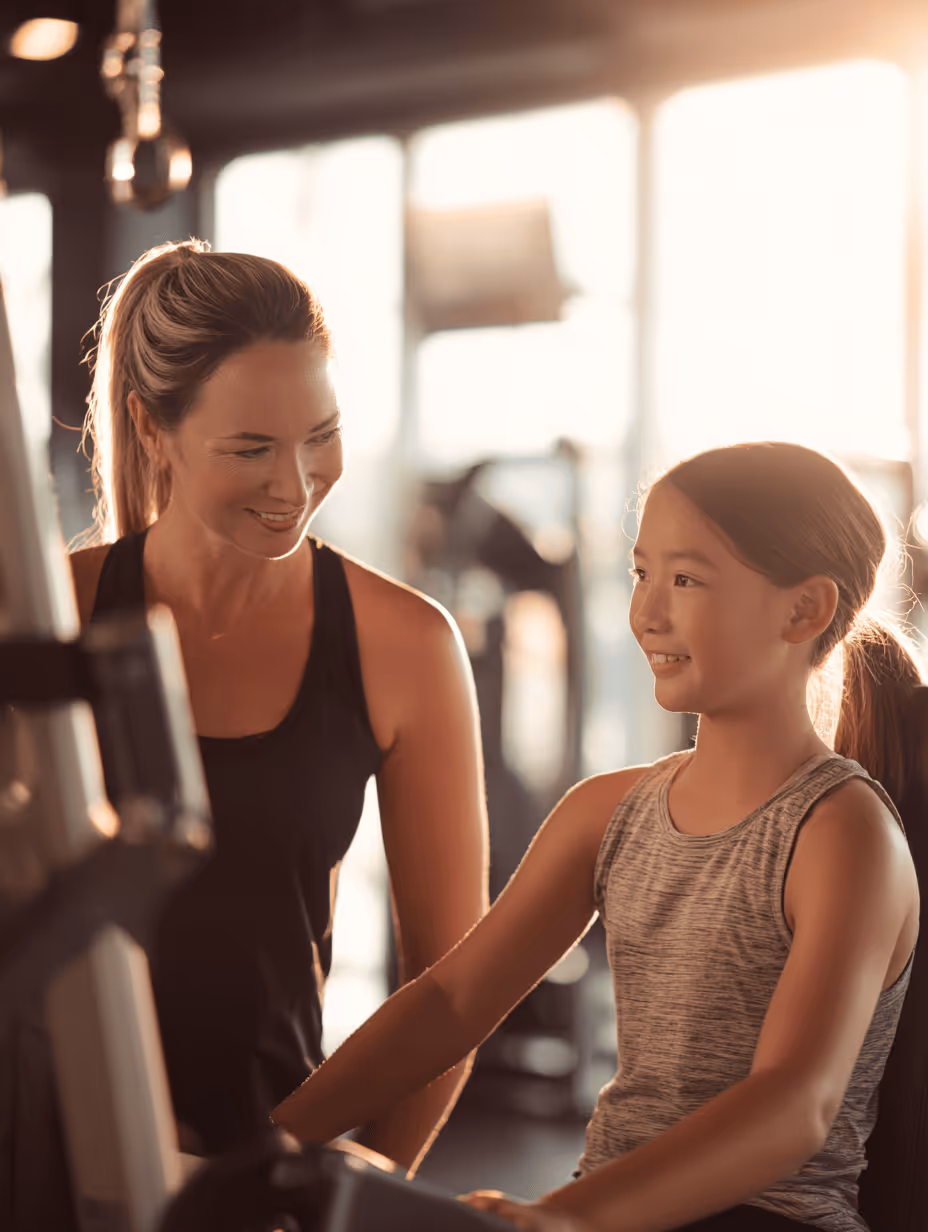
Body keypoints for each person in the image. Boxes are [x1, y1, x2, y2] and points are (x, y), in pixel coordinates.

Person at [272, 441, 923, 1232]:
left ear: (803, 609)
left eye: (686, 579)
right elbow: (450, 1003)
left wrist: (566, 1216)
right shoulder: (608, 813)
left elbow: (795, 1104)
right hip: (609, 1203)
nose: (646, 612)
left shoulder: (842, 834)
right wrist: (273, 1142)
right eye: (641, 573)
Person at [68, 239, 489, 1168]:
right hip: (38, 1151)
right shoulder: (52, 619)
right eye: (251, 448)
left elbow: (451, 988)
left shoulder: (406, 647)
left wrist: (348, 1202)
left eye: (321, 436)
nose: (295, 486)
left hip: (261, 1171)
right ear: (151, 430)